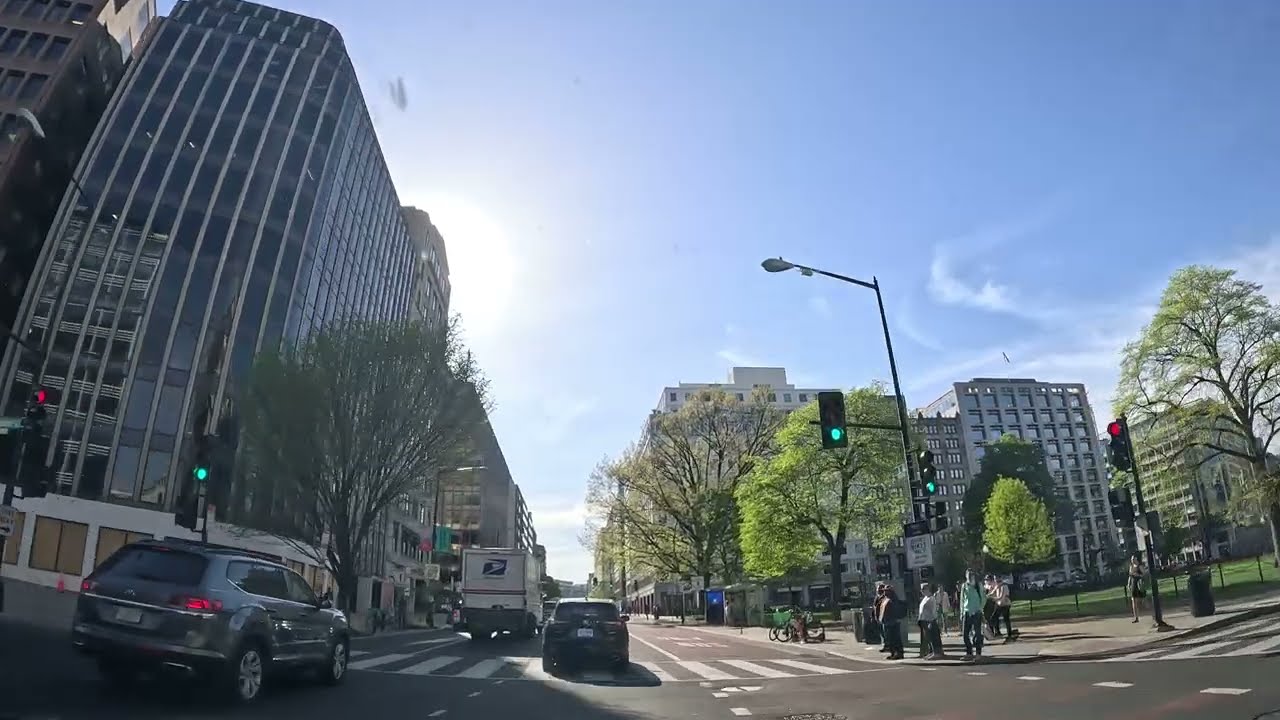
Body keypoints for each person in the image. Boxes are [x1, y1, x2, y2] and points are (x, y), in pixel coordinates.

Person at [959, 571, 985, 661]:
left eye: (971, 575)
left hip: (976, 612)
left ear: (974, 576)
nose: (970, 577)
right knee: (965, 634)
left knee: (977, 634)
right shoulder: (964, 586)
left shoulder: (978, 585)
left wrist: (980, 609)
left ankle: (978, 654)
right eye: (968, 575)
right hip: (967, 611)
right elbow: (962, 600)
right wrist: (962, 612)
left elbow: (983, 598)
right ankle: (969, 652)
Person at [917, 582, 944, 660]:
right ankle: (932, 651)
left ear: (927, 589)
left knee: (933, 637)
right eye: (921, 590)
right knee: (928, 638)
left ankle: (937, 652)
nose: (921, 591)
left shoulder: (931, 598)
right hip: (924, 620)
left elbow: (933, 611)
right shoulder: (925, 598)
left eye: (923, 589)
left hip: (930, 620)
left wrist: (933, 620)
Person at [878, 585, 906, 660]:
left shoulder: (893, 599)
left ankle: (898, 653)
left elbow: (894, 611)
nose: (884, 592)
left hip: (893, 622)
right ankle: (893, 653)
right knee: (890, 639)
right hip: (887, 622)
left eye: (886, 591)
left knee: (895, 639)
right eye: (884, 591)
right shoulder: (885, 599)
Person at [986, 574, 1017, 641]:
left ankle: (1009, 634)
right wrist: (986, 596)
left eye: (996, 578)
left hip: (1005, 605)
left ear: (999, 578)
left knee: (1006, 619)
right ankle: (995, 632)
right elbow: (991, 593)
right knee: (993, 618)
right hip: (999, 604)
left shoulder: (1004, 586)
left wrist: (992, 598)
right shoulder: (997, 586)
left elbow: (1001, 597)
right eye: (994, 578)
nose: (995, 580)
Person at [1127, 554, 1147, 622]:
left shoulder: (1140, 566)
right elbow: (1130, 576)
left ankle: (1153, 614)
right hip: (1133, 584)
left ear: (1136, 559)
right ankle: (1136, 617)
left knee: (1143, 601)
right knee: (1133, 601)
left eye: (1134, 559)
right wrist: (1128, 584)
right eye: (1132, 559)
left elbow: (1144, 575)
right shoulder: (1131, 567)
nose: (1132, 561)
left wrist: (1138, 575)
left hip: (1139, 584)